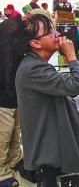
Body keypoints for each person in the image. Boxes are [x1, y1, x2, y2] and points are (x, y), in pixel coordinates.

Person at [15, 14, 79, 187]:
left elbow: (52, 101)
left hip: (52, 152)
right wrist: (71, 56)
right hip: (48, 158)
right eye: (49, 31)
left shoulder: (36, 65)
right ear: (35, 43)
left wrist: (75, 116)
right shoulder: (33, 69)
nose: (57, 34)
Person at [0, 13, 27, 187]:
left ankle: (15, 159)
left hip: (13, 93)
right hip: (3, 95)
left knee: (15, 129)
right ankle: (2, 173)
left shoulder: (13, 29)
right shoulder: (8, 33)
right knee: (4, 134)